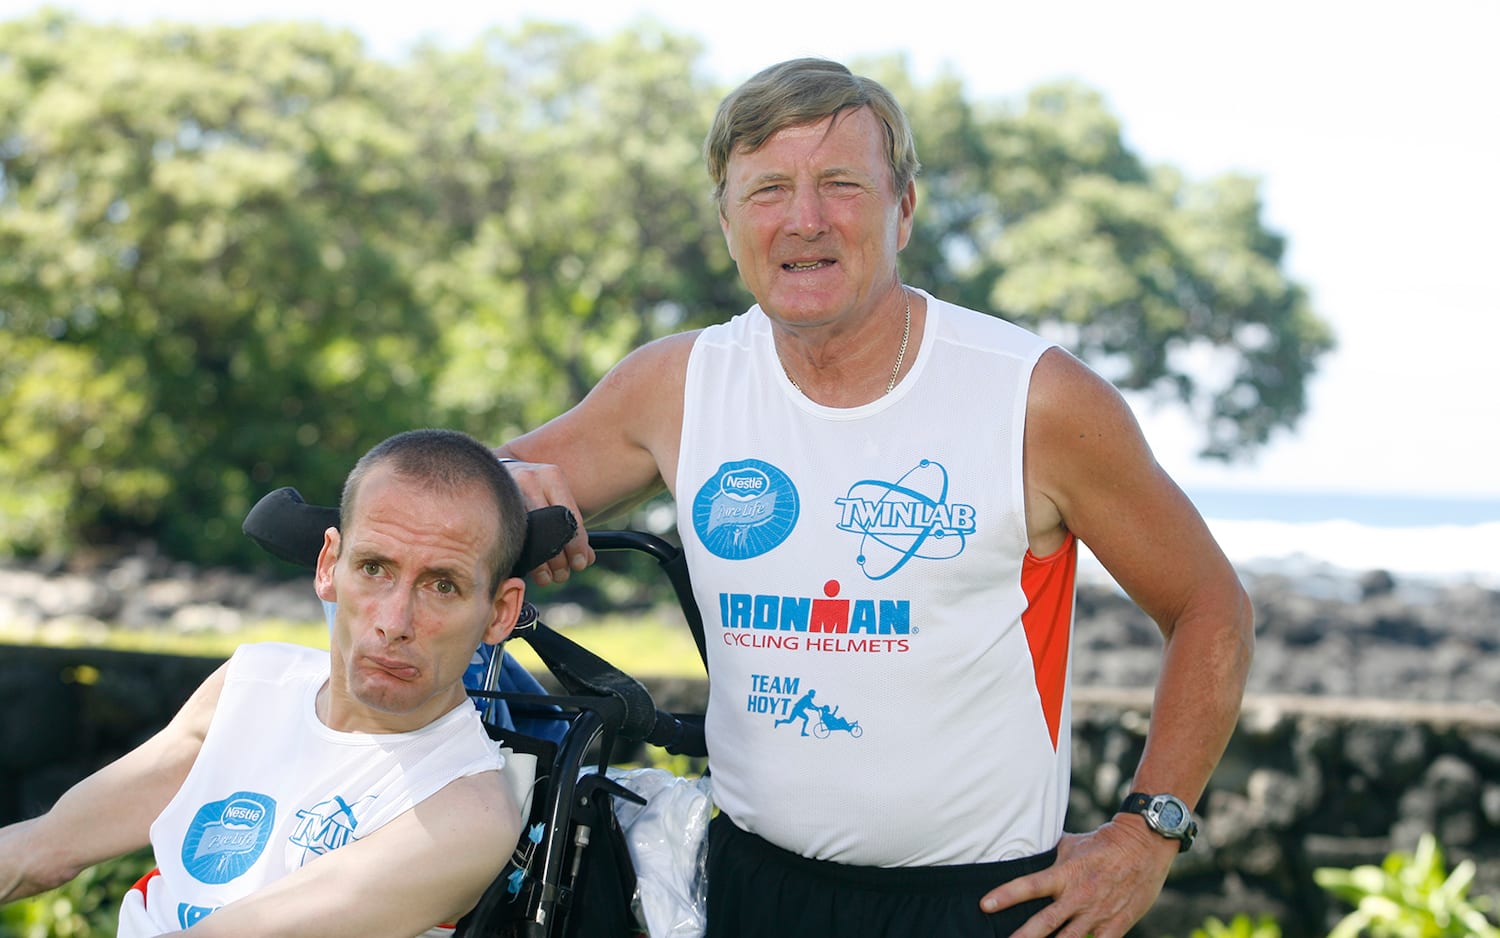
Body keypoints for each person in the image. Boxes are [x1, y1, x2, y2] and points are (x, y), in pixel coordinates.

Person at [496, 57, 1255, 938]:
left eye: (842, 185)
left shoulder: (1033, 398)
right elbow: (456, 492)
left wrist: (1147, 833)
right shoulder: (680, 384)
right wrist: (512, 488)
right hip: (748, 892)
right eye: (769, 188)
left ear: (904, 209)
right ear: (729, 218)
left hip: (978, 907)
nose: (805, 219)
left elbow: (1210, 605)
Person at [0, 429, 528, 937]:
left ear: (499, 613)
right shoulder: (254, 685)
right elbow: (40, 851)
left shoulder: (465, 811)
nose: (395, 621)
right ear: (328, 566)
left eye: (442, 585)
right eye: (373, 568)